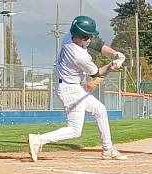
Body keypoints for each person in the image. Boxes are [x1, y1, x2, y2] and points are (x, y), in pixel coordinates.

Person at [28, 16, 127, 162]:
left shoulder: (70, 36)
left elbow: (97, 45)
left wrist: (114, 53)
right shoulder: (80, 55)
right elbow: (97, 73)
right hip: (70, 90)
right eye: (88, 36)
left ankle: (108, 149)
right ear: (81, 37)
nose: (91, 38)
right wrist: (114, 64)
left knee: (100, 109)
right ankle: (39, 139)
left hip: (70, 86)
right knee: (74, 130)